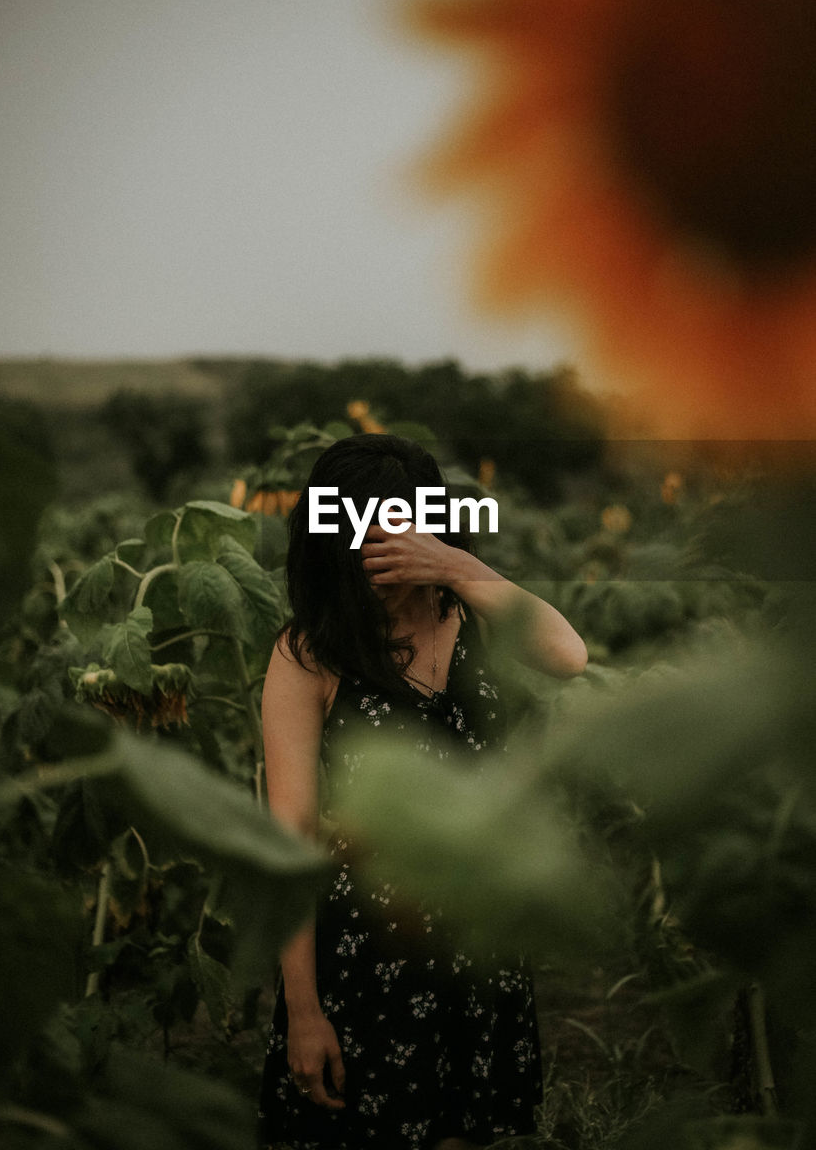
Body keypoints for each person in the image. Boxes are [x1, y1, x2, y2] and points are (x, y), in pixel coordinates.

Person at [258, 434, 587, 1150]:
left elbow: (567, 656)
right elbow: (289, 837)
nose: (377, 553)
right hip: (368, 954)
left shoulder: (475, 620)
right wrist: (304, 1008)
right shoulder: (308, 654)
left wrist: (459, 566)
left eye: (397, 531)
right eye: (356, 532)